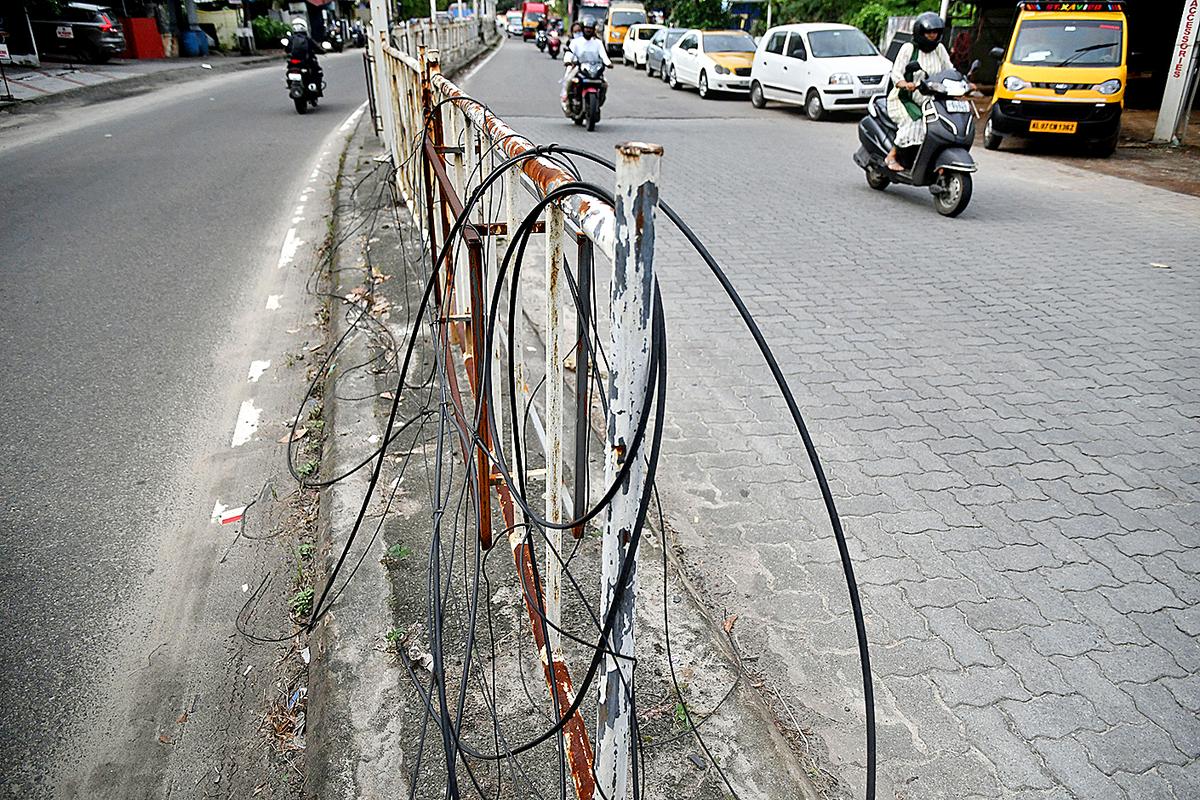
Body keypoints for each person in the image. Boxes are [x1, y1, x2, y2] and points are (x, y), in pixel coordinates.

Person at [884, 12, 953, 171]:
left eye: (935, 32)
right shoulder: (909, 48)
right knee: (914, 121)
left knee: (939, 126)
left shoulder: (939, 49)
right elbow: (896, 72)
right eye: (929, 32)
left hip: (930, 101)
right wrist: (904, 83)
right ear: (920, 32)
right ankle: (892, 155)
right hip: (904, 99)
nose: (932, 35)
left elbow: (949, 69)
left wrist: (964, 82)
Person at [561, 18, 610, 109]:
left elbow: (603, 55)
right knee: (568, 79)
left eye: (590, 28)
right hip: (578, 67)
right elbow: (569, 53)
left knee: (605, 83)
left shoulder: (598, 42)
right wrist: (567, 60)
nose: (588, 30)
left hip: (594, 68)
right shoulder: (575, 42)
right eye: (586, 28)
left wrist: (608, 63)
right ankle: (566, 100)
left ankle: (600, 100)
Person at [286, 18, 323, 87]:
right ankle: (316, 86)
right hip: (305, 61)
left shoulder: (290, 38)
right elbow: (317, 48)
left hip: (293, 61)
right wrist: (323, 51)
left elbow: (287, 49)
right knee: (317, 70)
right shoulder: (307, 39)